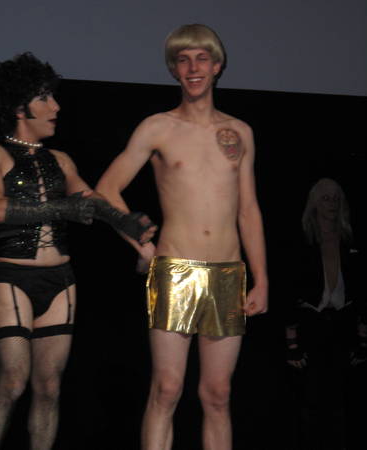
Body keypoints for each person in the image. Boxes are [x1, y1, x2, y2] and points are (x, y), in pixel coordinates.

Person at [0, 52, 155, 450]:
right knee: (12, 382)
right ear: (20, 106)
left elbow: (94, 202)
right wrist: (63, 209)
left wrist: (134, 232)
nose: (56, 107)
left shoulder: (61, 159)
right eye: (45, 98)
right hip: (13, 277)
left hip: (60, 280)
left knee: (50, 387)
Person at [96, 24, 268, 450]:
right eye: (184, 60)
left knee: (218, 395)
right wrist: (141, 243)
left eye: (201, 59)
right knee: (167, 388)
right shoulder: (158, 127)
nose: (193, 68)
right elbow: (106, 189)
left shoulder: (240, 132)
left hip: (227, 272)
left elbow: (248, 209)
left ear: (217, 66)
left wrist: (262, 278)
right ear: (174, 69)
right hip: (175, 270)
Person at [284, 178, 367, 450]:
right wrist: (292, 344)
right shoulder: (302, 241)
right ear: (314, 203)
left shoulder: (350, 240)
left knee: (343, 405)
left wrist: (363, 341)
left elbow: (362, 292)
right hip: (311, 328)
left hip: (342, 329)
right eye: (326, 198)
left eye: (336, 198)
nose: (332, 203)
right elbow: (289, 292)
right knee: (309, 403)